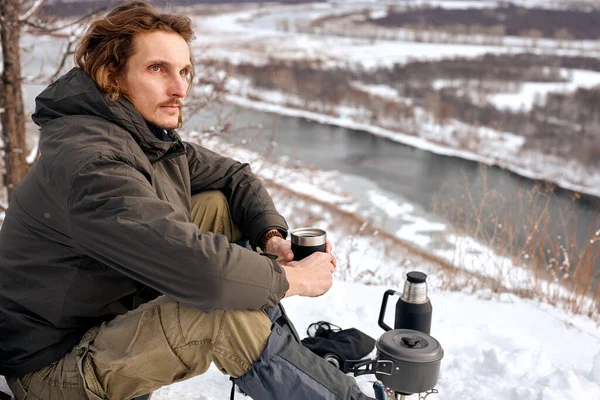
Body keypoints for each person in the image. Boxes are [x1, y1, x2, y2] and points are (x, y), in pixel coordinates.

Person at [0, 2, 373, 400]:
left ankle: (280, 356)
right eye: (157, 69)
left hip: (104, 313)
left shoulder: (139, 138)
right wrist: (294, 279)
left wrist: (270, 236)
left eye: (184, 72)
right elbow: (208, 277)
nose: (179, 89)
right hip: (53, 367)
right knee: (217, 313)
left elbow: (234, 175)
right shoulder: (93, 162)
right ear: (112, 75)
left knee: (217, 204)